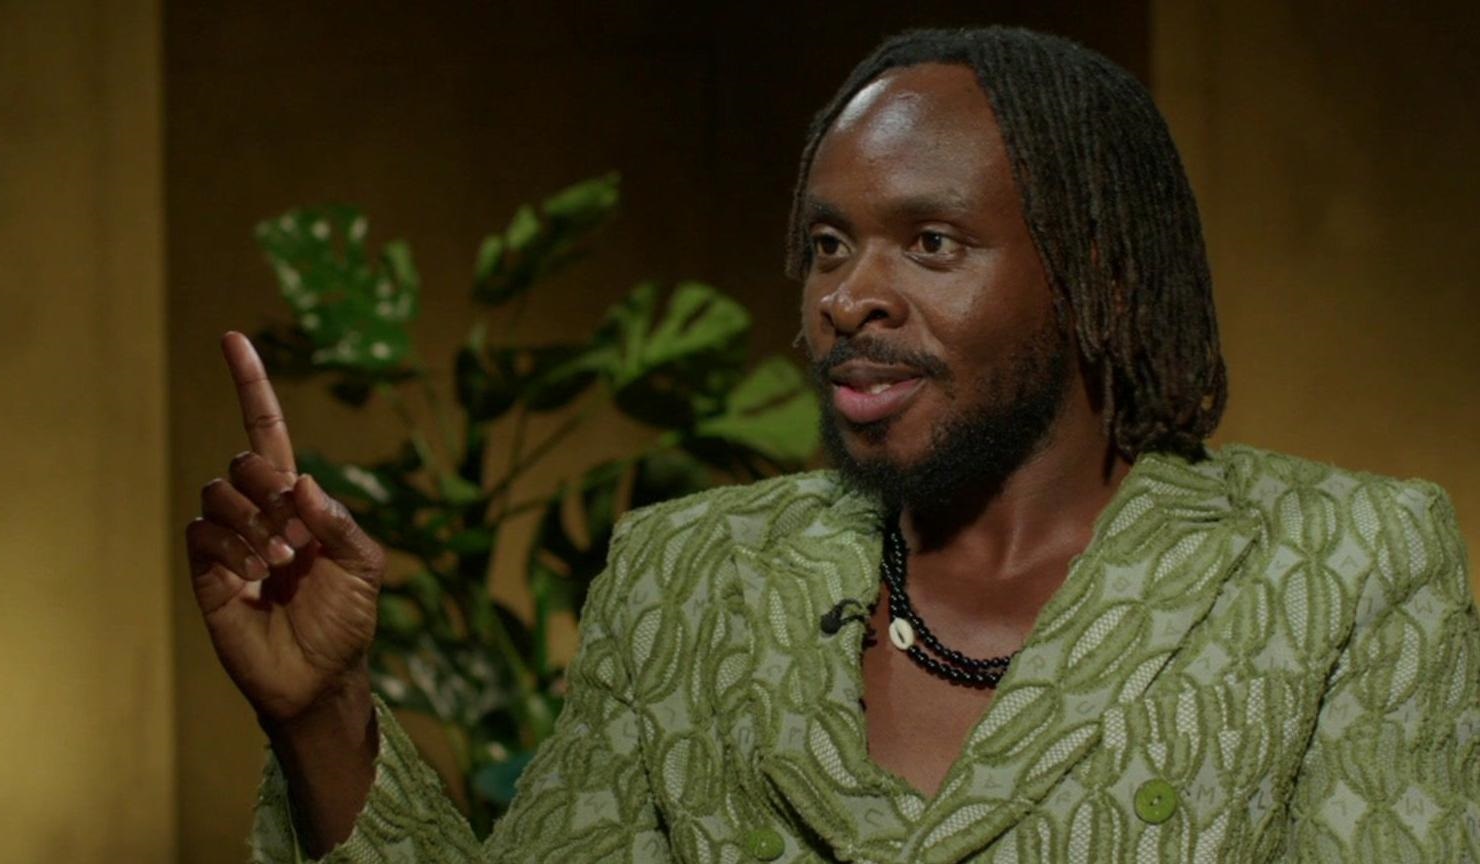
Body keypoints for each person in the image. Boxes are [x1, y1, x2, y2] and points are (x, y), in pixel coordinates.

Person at [187, 27, 1480, 863]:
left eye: (931, 243)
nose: (846, 296)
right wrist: (327, 719)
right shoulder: (683, 576)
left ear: (1095, 275)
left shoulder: (1344, 566)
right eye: (825, 244)